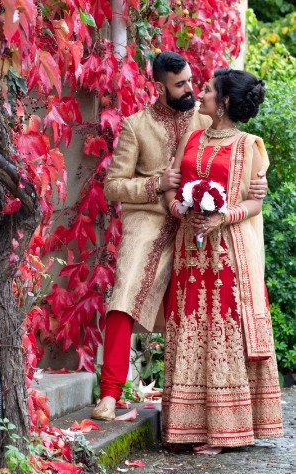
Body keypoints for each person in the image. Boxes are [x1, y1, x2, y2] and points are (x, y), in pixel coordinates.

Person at [92, 52, 268, 421]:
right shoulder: (136, 125)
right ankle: (109, 393)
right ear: (160, 87)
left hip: (202, 221)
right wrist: (157, 184)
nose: (191, 89)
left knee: (206, 304)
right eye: (181, 84)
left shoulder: (204, 117)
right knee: (125, 290)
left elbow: (236, 161)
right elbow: (112, 186)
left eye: (193, 81)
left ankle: (203, 403)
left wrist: (257, 184)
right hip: (152, 216)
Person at [163, 68, 283, 454]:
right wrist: (180, 208)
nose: (201, 94)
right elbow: (172, 186)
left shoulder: (250, 145)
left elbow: (254, 202)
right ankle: (187, 427)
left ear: (226, 101)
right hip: (189, 251)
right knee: (190, 329)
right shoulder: (193, 136)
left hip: (228, 256)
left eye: (209, 90)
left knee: (221, 332)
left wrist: (220, 216)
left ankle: (224, 430)